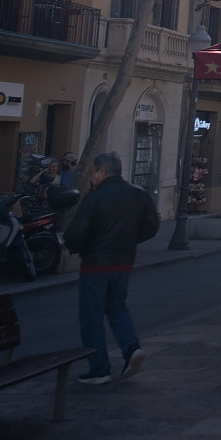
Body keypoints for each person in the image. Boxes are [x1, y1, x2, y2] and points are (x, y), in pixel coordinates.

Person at [63, 151, 160, 385]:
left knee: (92, 316)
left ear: (103, 171)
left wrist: (77, 247)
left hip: (96, 264)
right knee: (117, 307)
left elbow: (76, 233)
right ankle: (131, 347)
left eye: (93, 172)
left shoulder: (95, 198)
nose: (91, 177)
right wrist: (130, 241)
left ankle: (99, 368)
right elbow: (152, 225)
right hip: (123, 262)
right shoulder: (138, 194)